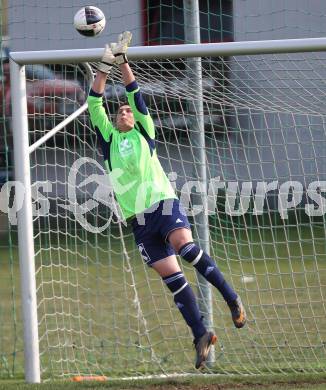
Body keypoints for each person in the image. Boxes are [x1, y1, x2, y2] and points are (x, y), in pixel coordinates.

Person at [87, 31, 246, 369]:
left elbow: (135, 92)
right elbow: (93, 103)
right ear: (115, 120)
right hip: (138, 221)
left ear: (137, 118)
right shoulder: (108, 141)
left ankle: (231, 298)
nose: (124, 111)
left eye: (129, 111)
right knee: (173, 280)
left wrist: (123, 62)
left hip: (162, 203)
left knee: (187, 249)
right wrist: (102, 68)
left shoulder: (146, 132)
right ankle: (201, 334)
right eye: (120, 111)